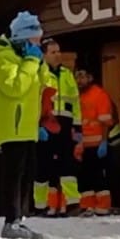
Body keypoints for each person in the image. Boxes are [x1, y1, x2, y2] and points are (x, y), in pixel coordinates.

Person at [0, 12, 47, 239]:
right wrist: (31, 62)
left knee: (25, 175)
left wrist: (37, 64)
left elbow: (41, 82)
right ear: (23, 38)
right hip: (13, 127)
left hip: (26, 126)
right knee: (13, 175)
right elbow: (16, 87)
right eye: (35, 40)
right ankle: (11, 221)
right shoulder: (1, 58)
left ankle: (19, 219)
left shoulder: (22, 57)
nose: (38, 44)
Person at [36, 38, 80, 217]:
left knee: (67, 164)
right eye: (53, 52)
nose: (57, 55)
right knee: (43, 166)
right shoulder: (39, 73)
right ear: (44, 55)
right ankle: (40, 205)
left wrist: (77, 128)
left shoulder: (67, 74)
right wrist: (38, 124)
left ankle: (72, 203)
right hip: (46, 123)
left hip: (66, 124)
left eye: (58, 51)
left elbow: (75, 102)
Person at [76, 68, 114, 215]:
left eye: (82, 77)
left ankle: (103, 206)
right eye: (77, 77)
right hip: (82, 144)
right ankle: (87, 206)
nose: (79, 80)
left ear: (90, 77)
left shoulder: (99, 94)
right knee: (84, 176)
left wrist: (104, 141)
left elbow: (105, 121)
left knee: (98, 176)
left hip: (97, 143)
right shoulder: (77, 96)